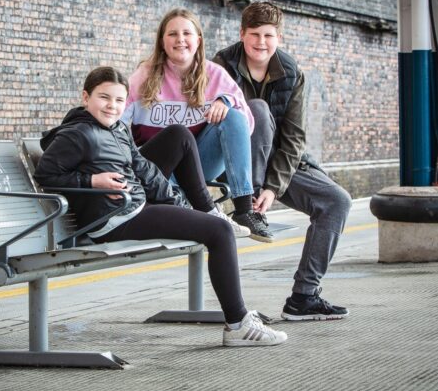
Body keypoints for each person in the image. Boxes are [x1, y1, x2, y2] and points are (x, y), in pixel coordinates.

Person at [34, 66, 287, 346]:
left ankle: (206, 217)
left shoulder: (117, 129)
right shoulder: (77, 134)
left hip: (135, 206)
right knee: (219, 232)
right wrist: (93, 180)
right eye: (104, 98)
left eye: (119, 100)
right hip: (113, 219)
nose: (112, 106)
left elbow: (144, 168)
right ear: (86, 97)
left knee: (179, 137)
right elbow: (45, 175)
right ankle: (238, 324)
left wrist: (178, 204)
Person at [213, 1, 352, 321]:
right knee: (257, 110)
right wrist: (253, 187)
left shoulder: (291, 72)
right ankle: (246, 207)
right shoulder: (221, 65)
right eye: (254, 35)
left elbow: (293, 137)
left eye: (269, 35)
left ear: (279, 37)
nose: (261, 42)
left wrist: (273, 188)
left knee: (337, 201)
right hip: (231, 164)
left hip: (275, 163)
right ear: (241, 34)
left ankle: (303, 297)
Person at [122, 8, 272, 241]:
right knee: (177, 135)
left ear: (198, 40)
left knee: (233, 116)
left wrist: (227, 101)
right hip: (159, 167)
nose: (180, 39)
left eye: (186, 33)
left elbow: (247, 126)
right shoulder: (145, 74)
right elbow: (116, 118)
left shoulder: (215, 74)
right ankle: (184, 201)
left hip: (201, 164)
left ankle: (244, 208)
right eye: (172, 34)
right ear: (162, 41)